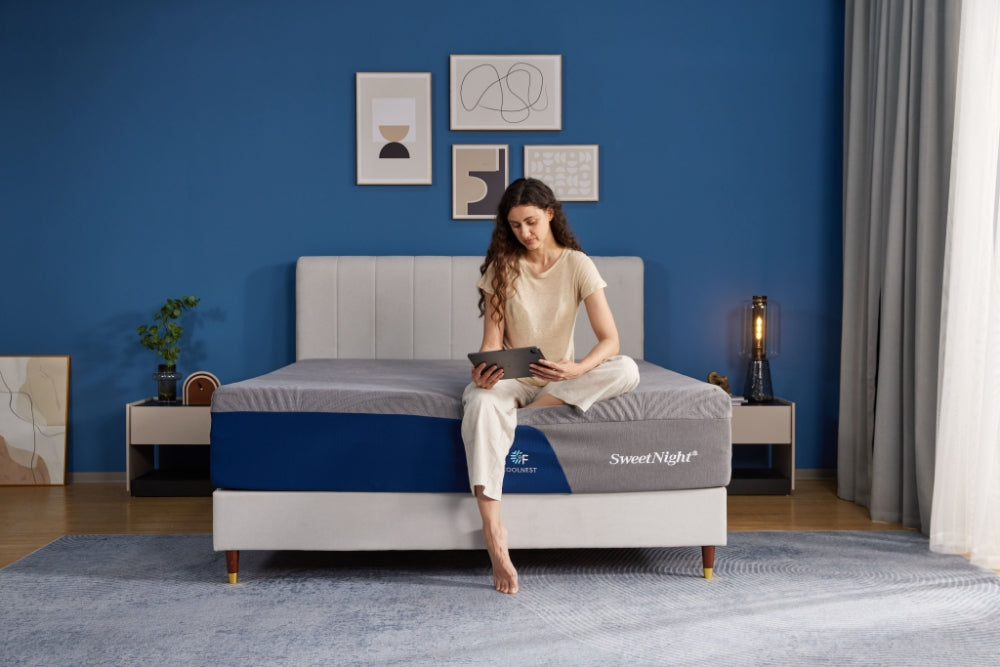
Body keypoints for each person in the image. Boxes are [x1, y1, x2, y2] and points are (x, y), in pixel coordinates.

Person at [462, 177, 640, 594]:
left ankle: (522, 416)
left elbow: (610, 340)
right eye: (515, 226)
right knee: (480, 402)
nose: (525, 233)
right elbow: (492, 342)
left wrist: (577, 369)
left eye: (531, 222)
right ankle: (493, 532)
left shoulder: (577, 264)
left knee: (626, 369)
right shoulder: (502, 267)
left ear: (550, 214)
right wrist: (483, 370)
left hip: (558, 381)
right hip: (512, 379)